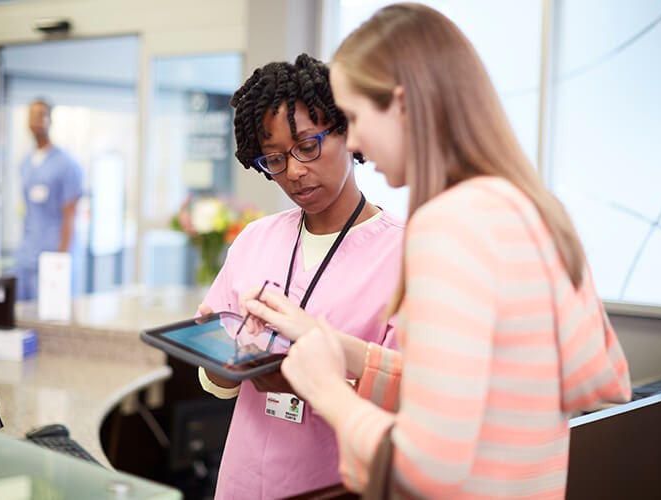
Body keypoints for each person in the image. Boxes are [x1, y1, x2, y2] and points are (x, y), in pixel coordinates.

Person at [243, 4, 632, 498]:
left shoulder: (448, 226)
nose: (355, 139)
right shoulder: (530, 210)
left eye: (358, 117)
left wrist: (323, 388)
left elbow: (424, 467)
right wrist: (332, 343)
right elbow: (595, 378)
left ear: (403, 104)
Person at [196, 53, 405, 499]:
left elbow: (414, 400)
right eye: (272, 159)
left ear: (347, 131)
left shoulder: (406, 254)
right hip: (244, 480)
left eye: (307, 146)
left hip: (339, 482)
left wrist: (313, 380)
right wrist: (225, 364)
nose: (293, 172)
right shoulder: (256, 239)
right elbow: (214, 383)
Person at [14, 98, 84, 302]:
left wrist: (60, 260)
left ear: (50, 120)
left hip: (53, 254)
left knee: (50, 316)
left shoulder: (66, 164)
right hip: (27, 253)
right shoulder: (26, 163)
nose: (36, 120)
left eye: (41, 115)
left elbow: (70, 215)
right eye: (31, 115)